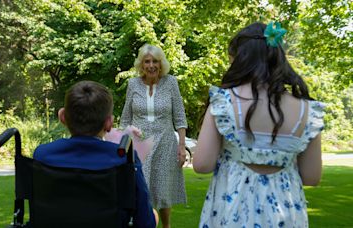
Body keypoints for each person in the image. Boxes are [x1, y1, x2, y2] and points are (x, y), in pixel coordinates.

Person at [193, 22, 325, 227]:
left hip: (231, 212)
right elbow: (311, 177)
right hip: (287, 215)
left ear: (240, 60)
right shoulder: (307, 111)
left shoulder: (223, 103)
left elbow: (202, 165)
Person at [33, 80, 158, 228]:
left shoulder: (43, 155)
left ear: (62, 117)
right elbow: (145, 222)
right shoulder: (123, 157)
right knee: (154, 215)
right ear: (109, 123)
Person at [120, 44, 188, 228]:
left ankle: (166, 226)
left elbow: (180, 117)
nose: (151, 65)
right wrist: (120, 144)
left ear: (161, 63)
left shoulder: (171, 82)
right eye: (147, 61)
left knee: (163, 193)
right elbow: (126, 118)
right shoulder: (132, 84)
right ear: (141, 65)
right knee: (141, 191)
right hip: (140, 145)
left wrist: (182, 148)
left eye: (155, 61)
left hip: (166, 144)